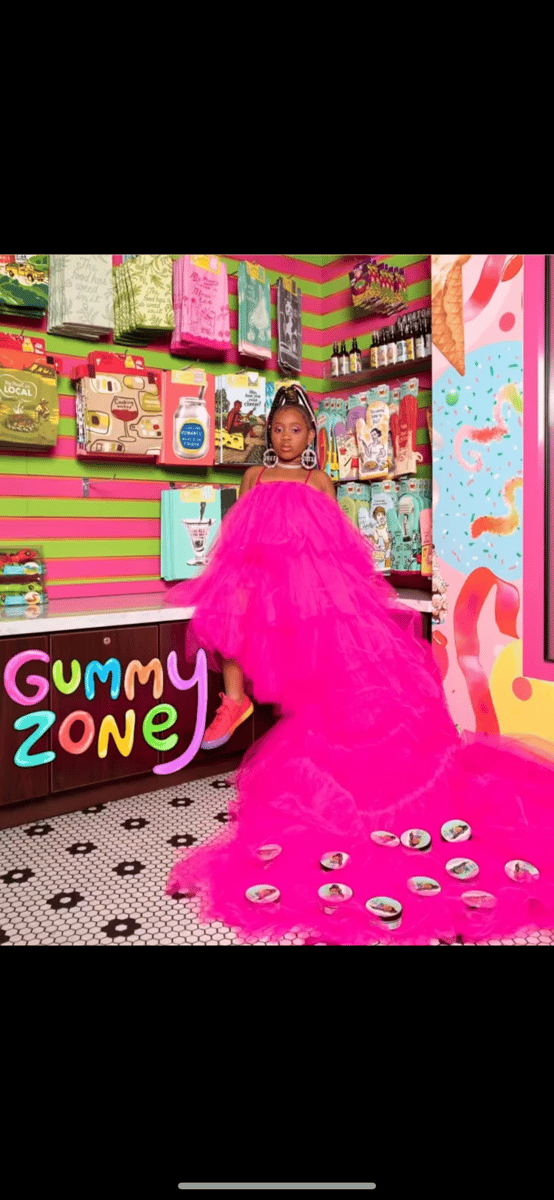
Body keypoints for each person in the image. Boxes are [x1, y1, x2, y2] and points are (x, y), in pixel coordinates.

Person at [165, 383, 554, 946]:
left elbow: (331, 545)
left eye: (296, 430)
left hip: (304, 588)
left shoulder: (317, 481)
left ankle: (312, 731)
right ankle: (234, 698)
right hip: (261, 580)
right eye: (278, 430)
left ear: (311, 436)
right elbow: (238, 537)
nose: (286, 438)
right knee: (226, 618)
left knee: (321, 665)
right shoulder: (254, 477)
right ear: (269, 435)